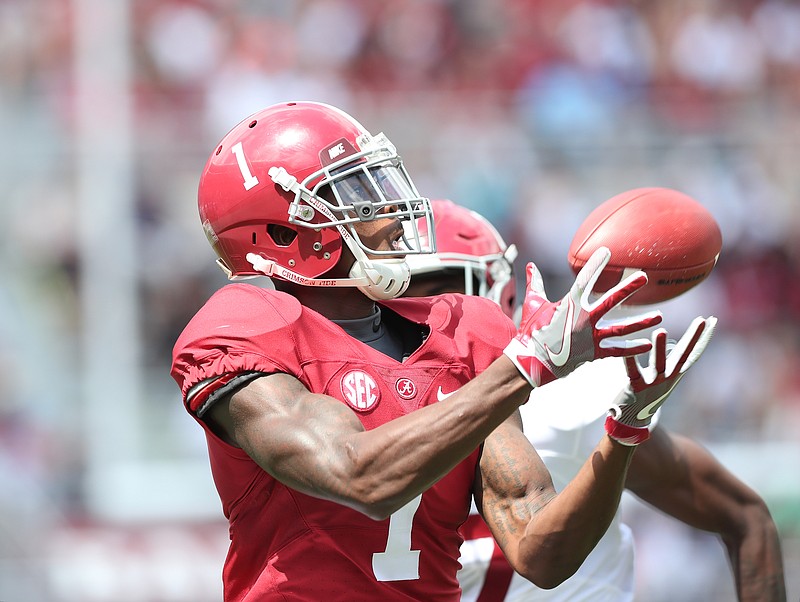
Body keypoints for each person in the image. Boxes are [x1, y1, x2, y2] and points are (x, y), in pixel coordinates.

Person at [170, 100, 716, 602]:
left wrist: (623, 434)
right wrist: (526, 365)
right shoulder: (241, 328)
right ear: (286, 233)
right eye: (355, 193)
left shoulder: (463, 329)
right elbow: (360, 477)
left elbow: (541, 554)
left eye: (376, 182)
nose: (387, 208)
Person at [404, 199, 787, 602]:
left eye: (441, 290)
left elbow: (746, 517)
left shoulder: (574, 396)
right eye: (402, 292)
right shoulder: (370, 401)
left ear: (499, 290)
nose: (423, 311)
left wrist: (625, 430)